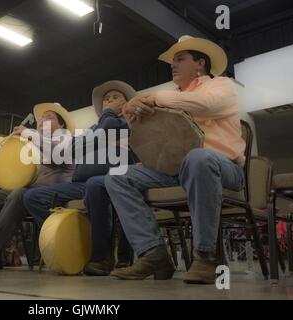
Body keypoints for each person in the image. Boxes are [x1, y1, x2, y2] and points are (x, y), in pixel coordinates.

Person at [105, 35, 245, 284]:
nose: (173, 64)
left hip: (224, 167)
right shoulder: (172, 95)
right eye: (172, 61)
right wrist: (133, 111)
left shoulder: (222, 85)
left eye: (180, 59)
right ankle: (153, 253)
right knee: (117, 178)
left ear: (200, 64)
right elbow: (147, 136)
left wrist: (154, 99)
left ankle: (205, 255)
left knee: (198, 158)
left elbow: (206, 104)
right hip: (176, 169)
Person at [23, 80, 137, 276]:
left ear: (125, 104)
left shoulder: (131, 122)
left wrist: (107, 117)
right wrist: (98, 137)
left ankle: (102, 256)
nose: (109, 101)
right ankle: (70, 240)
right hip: (83, 182)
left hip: (117, 177)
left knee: (96, 186)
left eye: (115, 98)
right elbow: (73, 149)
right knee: (31, 197)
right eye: (106, 99)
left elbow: (109, 127)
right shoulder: (93, 127)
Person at [0, 103, 75, 272]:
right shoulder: (32, 145)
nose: (42, 120)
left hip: (51, 193)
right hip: (27, 191)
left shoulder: (66, 139)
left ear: (61, 125)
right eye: (41, 118)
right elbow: (14, 170)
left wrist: (28, 134)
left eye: (49, 117)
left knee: (19, 194)